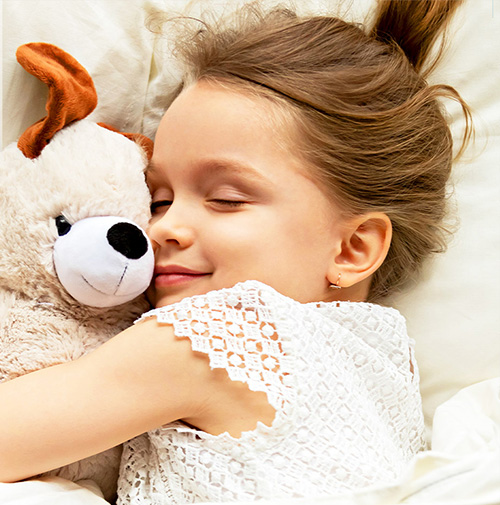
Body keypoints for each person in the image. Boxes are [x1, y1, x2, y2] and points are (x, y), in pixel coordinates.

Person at [0, 0, 472, 503]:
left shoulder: (222, 335)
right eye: (156, 200)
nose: (162, 228)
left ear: (353, 248)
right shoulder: (386, 367)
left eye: (226, 200)